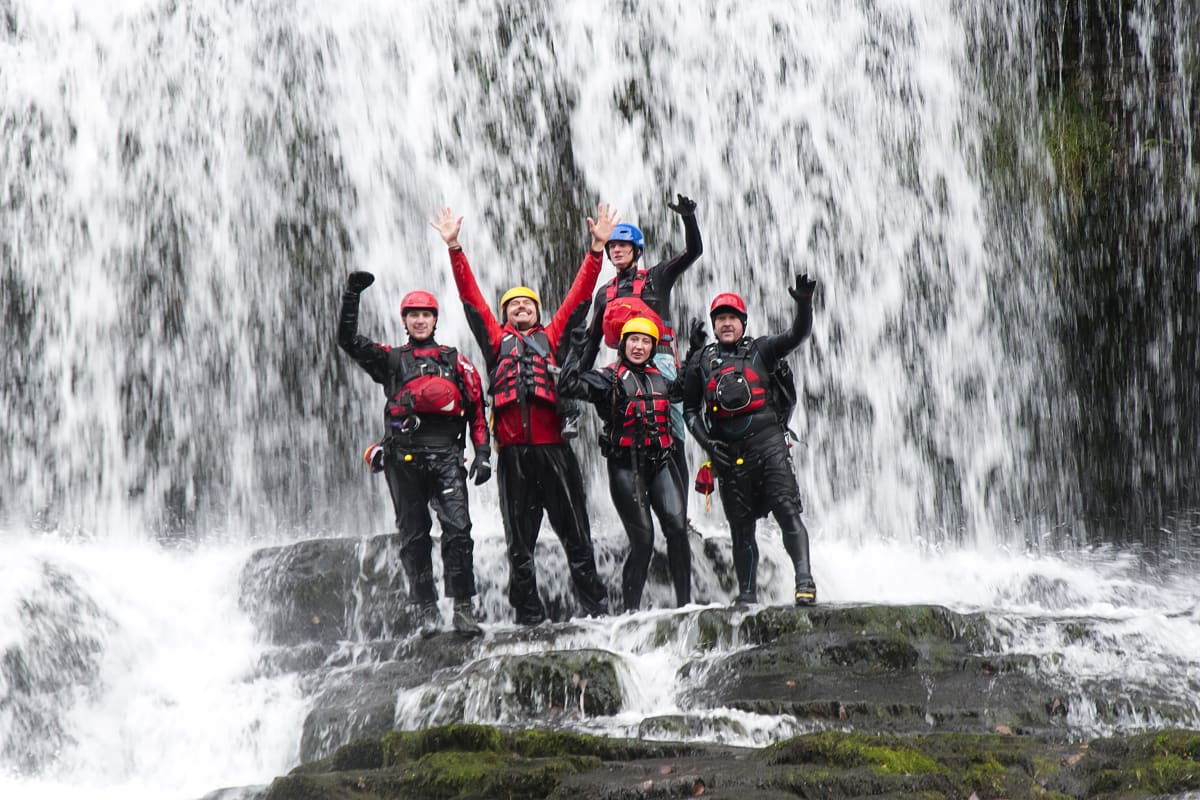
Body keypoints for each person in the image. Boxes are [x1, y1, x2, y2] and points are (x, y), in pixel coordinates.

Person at [433, 204, 619, 625]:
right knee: (520, 542)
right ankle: (528, 614)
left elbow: (577, 299)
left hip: (555, 451)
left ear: (537, 312)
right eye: (513, 305)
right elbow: (471, 299)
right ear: (504, 315)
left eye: (528, 305)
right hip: (514, 455)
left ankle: (596, 608)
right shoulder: (496, 341)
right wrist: (455, 248)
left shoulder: (551, 339)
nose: (521, 308)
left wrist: (596, 251)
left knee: (576, 532)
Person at [337, 276, 491, 639]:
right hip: (403, 459)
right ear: (404, 321)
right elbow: (348, 341)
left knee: (458, 531)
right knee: (414, 537)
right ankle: (426, 610)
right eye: (413, 315)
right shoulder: (391, 360)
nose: (420, 321)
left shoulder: (456, 361)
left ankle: (464, 609)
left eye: (425, 315)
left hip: (446, 458)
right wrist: (351, 296)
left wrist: (482, 454)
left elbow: (476, 408)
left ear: (435, 320)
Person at [681, 275, 819, 606]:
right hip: (728, 455)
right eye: (720, 319)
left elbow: (798, 335)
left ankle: (805, 580)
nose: (726, 324)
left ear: (743, 322)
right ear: (714, 325)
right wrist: (707, 444)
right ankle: (746, 594)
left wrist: (803, 304)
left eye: (732, 318)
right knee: (741, 529)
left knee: (787, 511)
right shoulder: (700, 361)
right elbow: (689, 410)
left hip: (769, 446)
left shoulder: (762, 350)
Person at [559, 317, 691, 612]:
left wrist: (693, 352)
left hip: (661, 463)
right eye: (633, 340)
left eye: (645, 342)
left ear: (653, 348)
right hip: (626, 468)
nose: (639, 346)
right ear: (623, 344)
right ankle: (631, 612)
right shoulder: (608, 378)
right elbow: (568, 385)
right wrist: (575, 350)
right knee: (644, 541)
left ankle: (686, 609)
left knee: (678, 531)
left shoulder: (662, 376)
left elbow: (683, 390)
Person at [574, 194, 702, 488]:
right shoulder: (605, 293)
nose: (617, 250)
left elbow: (693, 252)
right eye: (612, 246)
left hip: (661, 363)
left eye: (623, 245)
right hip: (623, 365)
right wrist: (579, 375)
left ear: (636, 250)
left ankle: (679, 511)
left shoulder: (657, 277)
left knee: (673, 432)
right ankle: (639, 501)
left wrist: (688, 217)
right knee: (625, 429)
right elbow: (593, 340)